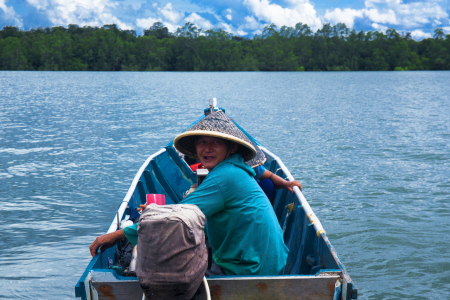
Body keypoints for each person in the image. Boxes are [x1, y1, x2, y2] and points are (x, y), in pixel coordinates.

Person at [90, 111, 289, 276]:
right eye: (202, 142)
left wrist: (118, 235)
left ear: (232, 147)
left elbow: (174, 219)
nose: (208, 148)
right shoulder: (233, 171)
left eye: (216, 143)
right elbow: (188, 209)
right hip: (269, 262)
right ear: (195, 146)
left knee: (168, 278)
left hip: (249, 270)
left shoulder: (225, 177)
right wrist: (159, 210)